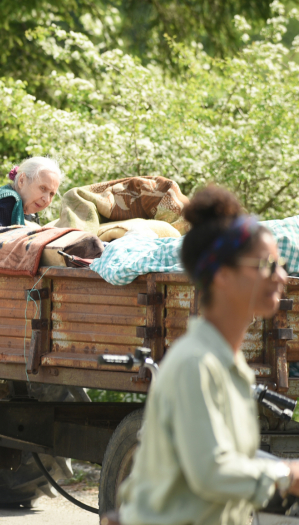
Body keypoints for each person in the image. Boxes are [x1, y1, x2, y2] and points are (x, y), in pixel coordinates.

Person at [116, 186, 299, 525]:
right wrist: (287, 475)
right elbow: (212, 472)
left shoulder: (231, 366)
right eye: (267, 265)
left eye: (282, 265)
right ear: (222, 275)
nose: (282, 277)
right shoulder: (195, 365)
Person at [0, 156, 62, 227]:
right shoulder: (9, 201)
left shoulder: (27, 212)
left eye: (51, 194)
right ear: (22, 180)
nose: (46, 199)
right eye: (43, 188)